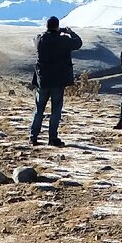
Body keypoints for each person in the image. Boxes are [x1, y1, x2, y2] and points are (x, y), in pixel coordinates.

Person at [30, 16, 83, 146]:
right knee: (56, 111)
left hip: (43, 81)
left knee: (39, 110)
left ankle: (33, 137)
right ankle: (52, 138)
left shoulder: (40, 40)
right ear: (58, 26)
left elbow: (35, 38)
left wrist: (52, 32)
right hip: (58, 82)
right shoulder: (64, 41)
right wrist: (69, 32)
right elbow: (78, 42)